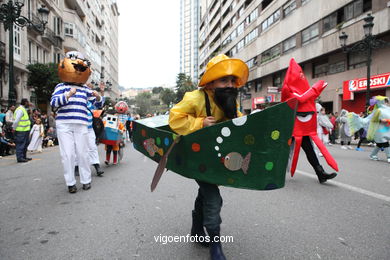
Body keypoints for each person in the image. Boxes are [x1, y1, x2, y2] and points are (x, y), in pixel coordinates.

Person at [169, 54, 249, 260]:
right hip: (197, 158)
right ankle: (216, 246)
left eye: (232, 80)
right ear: (211, 83)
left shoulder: (230, 100)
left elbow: (239, 122)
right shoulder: (194, 98)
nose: (230, 85)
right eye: (224, 80)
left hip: (218, 158)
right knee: (213, 198)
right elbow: (175, 118)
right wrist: (200, 123)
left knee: (205, 192)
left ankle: (196, 230)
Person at [51, 51, 104, 193]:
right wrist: (67, 95)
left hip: (81, 124)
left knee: (83, 153)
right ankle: (70, 183)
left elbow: (98, 105)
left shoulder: (85, 88)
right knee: (68, 154)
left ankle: (86, 180)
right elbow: (54, 103)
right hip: (64, 125)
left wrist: (98, 96)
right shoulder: (60, 87)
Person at [281, 58, 338, 183]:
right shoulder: (287, 89)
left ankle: (320, 173)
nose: (301, 77)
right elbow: (301, 99)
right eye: (299, 74)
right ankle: (273, 173)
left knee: (309, 150)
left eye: (302, 74)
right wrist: (316, 88)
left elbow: (305, 99)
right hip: (289, 127)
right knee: (282, 151)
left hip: (300, 127)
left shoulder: (301, 89)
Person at [12, 98, 32, 163]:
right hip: (21, 131)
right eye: (28, 102)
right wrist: (13, 128)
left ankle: (23, 156)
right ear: (25, 102)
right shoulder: (20, 110)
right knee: (20, 144)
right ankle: (20, 158)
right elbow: (16, 120)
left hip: (25, 130)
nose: (28, 103)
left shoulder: (23, 109)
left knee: (25, 143)